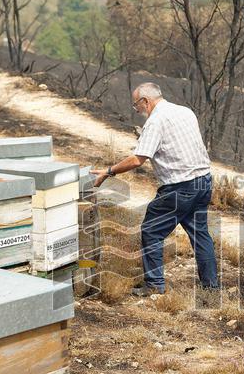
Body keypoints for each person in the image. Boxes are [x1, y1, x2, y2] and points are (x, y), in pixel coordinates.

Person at [92, 82, 219, 296]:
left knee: (151, 231)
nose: (137, 110)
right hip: (203, 182)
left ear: (145, 101)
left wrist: (109, 171)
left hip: (180, 187)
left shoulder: (155, 121)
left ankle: (154, 285)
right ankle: (211, 287)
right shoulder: (184, 111)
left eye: (136, 106)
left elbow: (137, 160)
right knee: (200, 235)